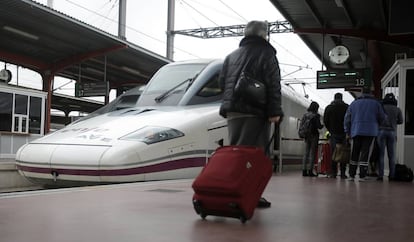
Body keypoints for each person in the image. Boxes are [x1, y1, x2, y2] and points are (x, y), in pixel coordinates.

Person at [219, 20, 283, 208]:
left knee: (236, 152)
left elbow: (222, 83)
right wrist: (274, 111)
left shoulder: (231, 56)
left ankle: (232, 189)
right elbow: (273, 84)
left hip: (233, 112)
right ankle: (249, 195)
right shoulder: (267, 53)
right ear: (264, 35)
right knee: (255, 155)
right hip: (255, 112)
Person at [344, 88, 386, 181]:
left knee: (354, 152)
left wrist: (347, 131)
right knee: (365, 153)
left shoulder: (354, 103)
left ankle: (351, 175)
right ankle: (362, 175)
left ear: (361, 93)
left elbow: (347, 118)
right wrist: (378, 125)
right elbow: (382, 118)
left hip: (356, 131)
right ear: (371, 93)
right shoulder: (376, 104)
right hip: (370, 131)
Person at [377, 93, 403, 181]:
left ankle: (380, 175)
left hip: (381, 131)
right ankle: (392, 176)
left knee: (381, 155)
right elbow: (401, 121)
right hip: (392, 132)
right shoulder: (397, 109)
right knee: (392, 155)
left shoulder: (381, 107)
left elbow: (377, 118)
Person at [323, 92, 349, 179]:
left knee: (333, 153)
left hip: (333, 133)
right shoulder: (346, 107)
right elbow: (349, 119)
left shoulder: (329, 107)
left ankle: (333, 173)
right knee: (343, 153)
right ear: (341, 98)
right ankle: (342, 173)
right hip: (343, 133)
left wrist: (330, 129)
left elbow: (325, 120)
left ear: (334, 98)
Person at [301, 101, 324, 177]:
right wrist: (322, 125)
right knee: (312, 153)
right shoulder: (316, 115)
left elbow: (302, 125)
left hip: (306, 135)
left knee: (306, 153)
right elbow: (319, 126)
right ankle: (310, 171)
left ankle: (304, 171)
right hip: (314, 135)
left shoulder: (305, 115)